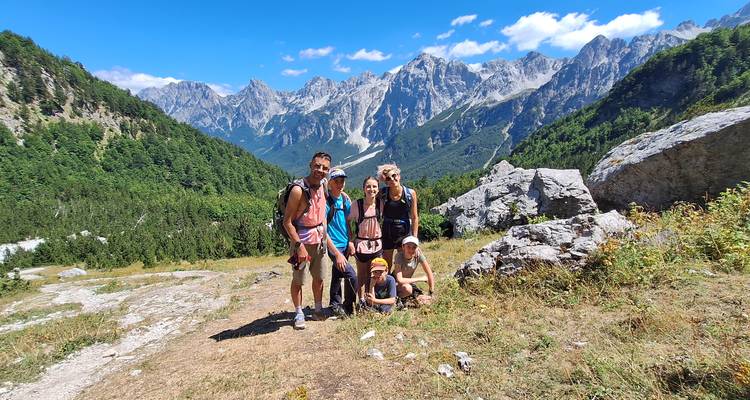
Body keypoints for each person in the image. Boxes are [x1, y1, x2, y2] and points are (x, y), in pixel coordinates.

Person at [283, 152, 332, 330]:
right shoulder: (298, 190)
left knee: (319, 277)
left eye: (325, 168)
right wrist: (298, 246)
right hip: (301, 241)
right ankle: (299, 313)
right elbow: (287, 222)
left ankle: (318, 309)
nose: (320, 170)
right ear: (310, 165)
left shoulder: (323, 185)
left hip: (319, 240)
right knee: (299, 280)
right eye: (317, 166)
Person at [324, 168, 357, 317]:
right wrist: (336, 253)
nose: (340, 184)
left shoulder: (344, 200)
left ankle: (335, 304)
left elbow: (347, 222)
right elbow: (323, 230)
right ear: (329, 183)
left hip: (345, 244)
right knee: (351, 274)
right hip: (333, 246)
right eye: (336, 181)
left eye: (342, 181)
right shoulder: (325, 202)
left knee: (337, 274)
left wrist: (350, 241)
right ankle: (349, 306)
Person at [377, 164, 418, 270]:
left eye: (394, 175)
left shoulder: (410, 193)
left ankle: (400, 284)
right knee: (387, 264)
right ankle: (387, 284)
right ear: (385, 182)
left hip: (404, 232)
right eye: (388, 178)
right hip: (387, 231)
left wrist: (414, 238)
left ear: (399, 176)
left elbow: (414, 217)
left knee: (403, 263)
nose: (392, 179)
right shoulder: (382, 193)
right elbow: (369, 197)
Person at [348, 176, 383, 302]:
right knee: (362, 275)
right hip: (361, 244)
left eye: (374, 186)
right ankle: (362, 300)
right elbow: (347, 221)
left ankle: (371, 300)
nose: (371, 189)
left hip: (377, 244)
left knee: (374, 274)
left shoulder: (381, 203)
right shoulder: (356, 205)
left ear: (378, 189)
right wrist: (350, 240)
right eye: (368, 186)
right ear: (363, 189)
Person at [392, 235, 435, 305]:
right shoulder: (399, 256)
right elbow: (400, 280)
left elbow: (429, 273)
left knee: (426, 301)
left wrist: (431, 292)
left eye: (414, 247)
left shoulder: (418, 255)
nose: (411, 250)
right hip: (395, 283)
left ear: (417, 248)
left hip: (408, 282)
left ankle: (408, 299)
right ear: (403, 247)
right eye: (408, 247)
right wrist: (420, 279)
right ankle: (396, 300)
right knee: (407, 289)